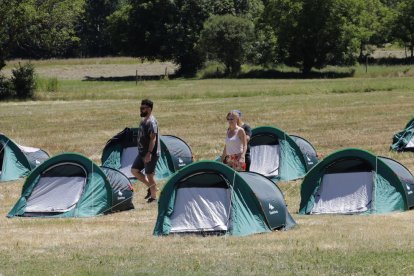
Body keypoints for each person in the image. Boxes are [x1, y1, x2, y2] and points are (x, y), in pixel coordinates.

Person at [131, 99, 160, 203]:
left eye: (143, 108)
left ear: (149, 109)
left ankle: (153, 197)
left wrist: (149, 153)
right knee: (134, 170)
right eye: (140, 108)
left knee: (149, 174)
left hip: (150, 153)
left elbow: (153, 138)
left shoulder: (152, 122)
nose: (141, 110)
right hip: (142, 153)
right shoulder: (143, 121)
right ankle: (152, 187)